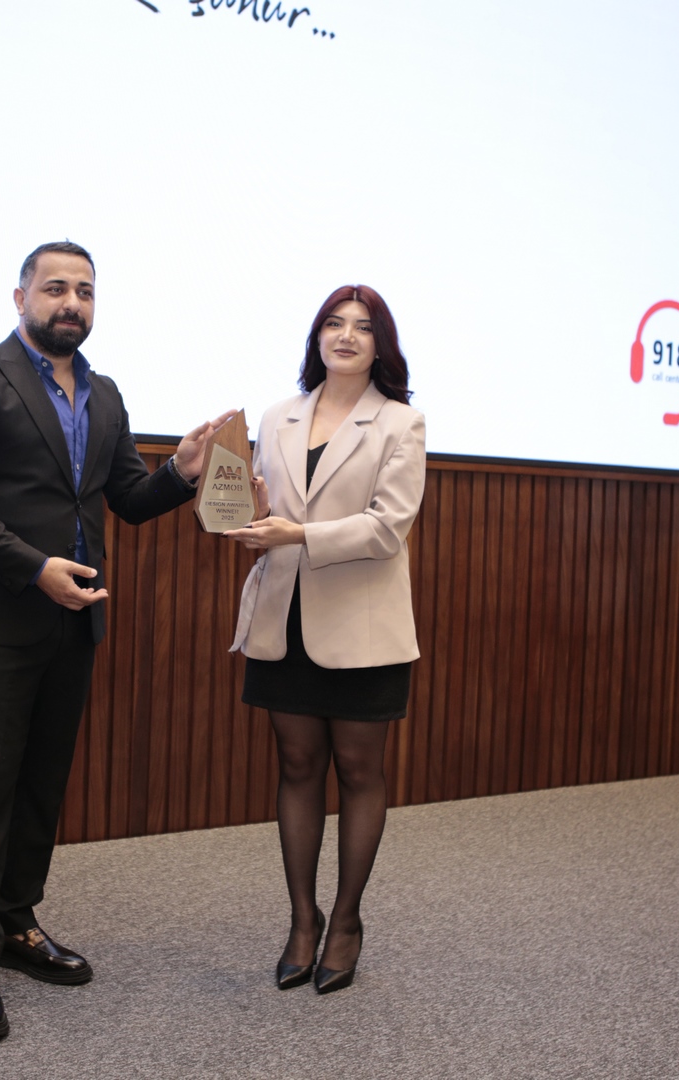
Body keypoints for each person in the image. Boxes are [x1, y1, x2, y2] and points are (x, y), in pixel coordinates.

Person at [0, 240, 233, 1040]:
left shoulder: (106, 392)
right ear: (20, 296)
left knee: (42, 783)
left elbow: (126, 498)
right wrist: (34, 569)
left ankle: (16, 921)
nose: (72, 303)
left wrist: (182, 471)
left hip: (74, 619)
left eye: (85, 291)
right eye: (55, 287)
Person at [225, 284, 425, 994]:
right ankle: (301, 922)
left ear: (380, 345)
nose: (345, 336)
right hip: (284, 618)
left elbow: (387, 527)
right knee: (297, 765)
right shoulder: (277, 416)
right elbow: (258, 504)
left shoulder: (400, 422)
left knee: (359, 771)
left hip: (363, 626)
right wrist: (240, 514)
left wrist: (298, 534)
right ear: (316, 337)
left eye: (362, 327)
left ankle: (345, 922)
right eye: (333, 324)